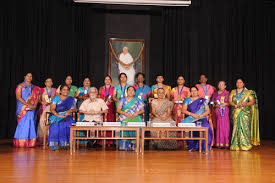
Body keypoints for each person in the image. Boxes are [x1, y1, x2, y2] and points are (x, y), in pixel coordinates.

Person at [229, 77, 260, 151]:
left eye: (240, 82)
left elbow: (252, 101)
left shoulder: (248, 92)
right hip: (235, 111)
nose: (238, 84)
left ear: (243, 83)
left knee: (244, 129)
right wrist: (235, 105)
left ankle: (245, 144)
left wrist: (245, 104)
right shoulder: (233, 91)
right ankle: (235, 145)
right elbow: (230, 101)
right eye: (237, 82)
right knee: (236, 128)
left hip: (245, 112)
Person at [181, 86, 213, 152]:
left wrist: (201, 115)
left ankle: (205, 147)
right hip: (191, 118)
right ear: (190, 92)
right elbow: (183, 110)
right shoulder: (187, 100)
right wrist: (192, 114)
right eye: (192, 91)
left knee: (207, 127)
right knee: (190, 128)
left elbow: (207, 110)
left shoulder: (203, 100)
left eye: (195, 90)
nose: (193, 92)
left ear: (197, 91)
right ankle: (192, 147)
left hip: (201, 118)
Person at [14, 73, 40, 147]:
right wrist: (27, 104)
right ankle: (21, 142)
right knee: (23, 124)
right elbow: (18, 97)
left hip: (32, 108)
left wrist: (34, 105)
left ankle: (30, 143)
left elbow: (37, 97)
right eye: (28, 76)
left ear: (32, 78)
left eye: (31, 76)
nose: (29, 77)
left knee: (31, 123)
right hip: (23, 108)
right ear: (25, 77)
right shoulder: (20, 86)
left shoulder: (34, 87)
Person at [48, 84, 76, 150]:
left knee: (69, 123)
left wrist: (69, 111)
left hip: (67, 116)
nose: (66, 91)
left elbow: (74, 109)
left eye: (67, 90)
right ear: (60, 91)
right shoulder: (56, 98)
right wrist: (58, 115)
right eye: (64, 89)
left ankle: (67, 144)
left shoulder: (71, 99)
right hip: (56, 116)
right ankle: (54, 144)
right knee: (56, 125)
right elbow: (52, 109)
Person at [117, 86, 144, 151]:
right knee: (124, 123)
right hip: (125, 116)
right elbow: (118, 110)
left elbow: (142, 110)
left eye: (132, 90)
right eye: (129, 90)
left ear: (134, 92)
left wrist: (136, 113)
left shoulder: (138, 100)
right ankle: (125, 145)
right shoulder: (122, 99)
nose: (131, 91)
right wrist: (125, 113)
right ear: (127, 92)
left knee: (137, 123)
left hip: (135, 116)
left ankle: (135, 146)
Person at [37, 77, 56, 145]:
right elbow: (38, 99)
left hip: (51, 108)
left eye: (50, 81)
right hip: (43, 108)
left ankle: (50, 139)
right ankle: (43, 140)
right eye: (47, 81)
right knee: (42, 123)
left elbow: (56, 98)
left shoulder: (54, 90)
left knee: (50, 123)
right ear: (45, 83)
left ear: (52, 83)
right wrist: (42, 102)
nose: (49, 83)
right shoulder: (41, 90)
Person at [211, 81, 230, 148]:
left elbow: (229, 102)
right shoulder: (215, 94)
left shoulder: (227, 93)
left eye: (222, 85)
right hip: (217, 111)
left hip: (224, 111)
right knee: (218, 126)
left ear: (225, 86)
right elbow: (212, 103)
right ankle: (219, 143)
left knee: (225, 127)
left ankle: (226, 143)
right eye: (219, 84)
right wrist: (215, 105)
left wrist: (225, 104)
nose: (220, 86)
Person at [98, 76, 116, 147]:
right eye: (106, 79)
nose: (107, 81)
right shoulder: (101, 88)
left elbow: (115, 97)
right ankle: (101, 141)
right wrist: (104, 99)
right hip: (102, 107)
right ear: (104, 81)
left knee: (110, 121)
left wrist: (112, 100)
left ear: (111, 81)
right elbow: (99, 97)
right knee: (102, 122)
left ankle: (110, 141)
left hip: (111, 107)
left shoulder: (114, 88)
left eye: (109, 79)